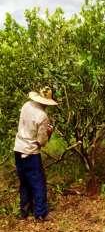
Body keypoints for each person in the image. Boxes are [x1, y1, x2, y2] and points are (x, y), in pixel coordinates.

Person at [14, 87, 58, 221]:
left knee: (24, 181)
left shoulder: (26, 105)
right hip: (31, 152)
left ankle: (25, 211)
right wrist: (49, 133)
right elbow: (41, 141)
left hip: (18, 148)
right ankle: (40, 214)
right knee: (38, 182)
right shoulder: (42, 116)